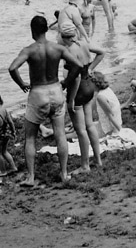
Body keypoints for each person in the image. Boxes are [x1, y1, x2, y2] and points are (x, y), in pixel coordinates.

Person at [7, 16, 81, 187]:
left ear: (32, 30)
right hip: (55, 90)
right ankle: (64, 173)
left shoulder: (29, 50)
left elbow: (12, 68)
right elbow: (77, 65)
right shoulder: (57, 48)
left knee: (30, 137)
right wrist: (66, 83)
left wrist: (21, 84)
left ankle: (31, 177)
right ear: (47, 29)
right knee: (60, 134)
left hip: (38, 92)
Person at [59, 23, 104, 173]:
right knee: (90, 125)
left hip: (78, 90)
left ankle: (85, 165)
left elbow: (76, 77)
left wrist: (70, 99)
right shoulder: (83, 43)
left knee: (81, 130)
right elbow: (101, 52)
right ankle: (98, 160)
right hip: (89, 85)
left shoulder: (69, 51)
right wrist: (91, 69)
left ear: (63, 37)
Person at [91, 72, 122, 136]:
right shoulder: (107, 90)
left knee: (81, 131)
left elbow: (110, 115)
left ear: (95, 84)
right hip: (117, 122)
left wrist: (121, 132)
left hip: (108, 129)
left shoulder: (100, 97)